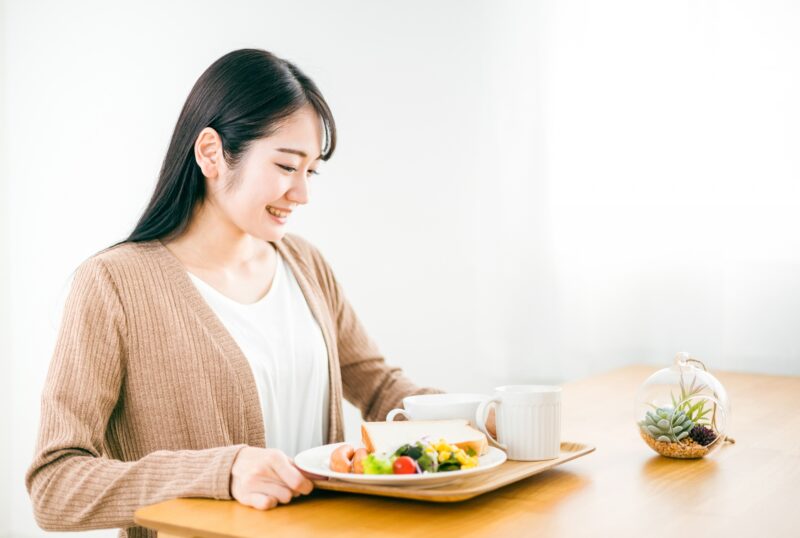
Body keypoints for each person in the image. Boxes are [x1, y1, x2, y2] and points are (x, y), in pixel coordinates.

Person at [24, 48, 495, 538]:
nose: (302, 194)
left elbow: (379, 390)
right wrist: (222, 473)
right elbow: (55, 486)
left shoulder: (304, 263)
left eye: (309, 171)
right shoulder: (114, 285)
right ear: (210, 153)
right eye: (287, 166)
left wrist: (479, 420)